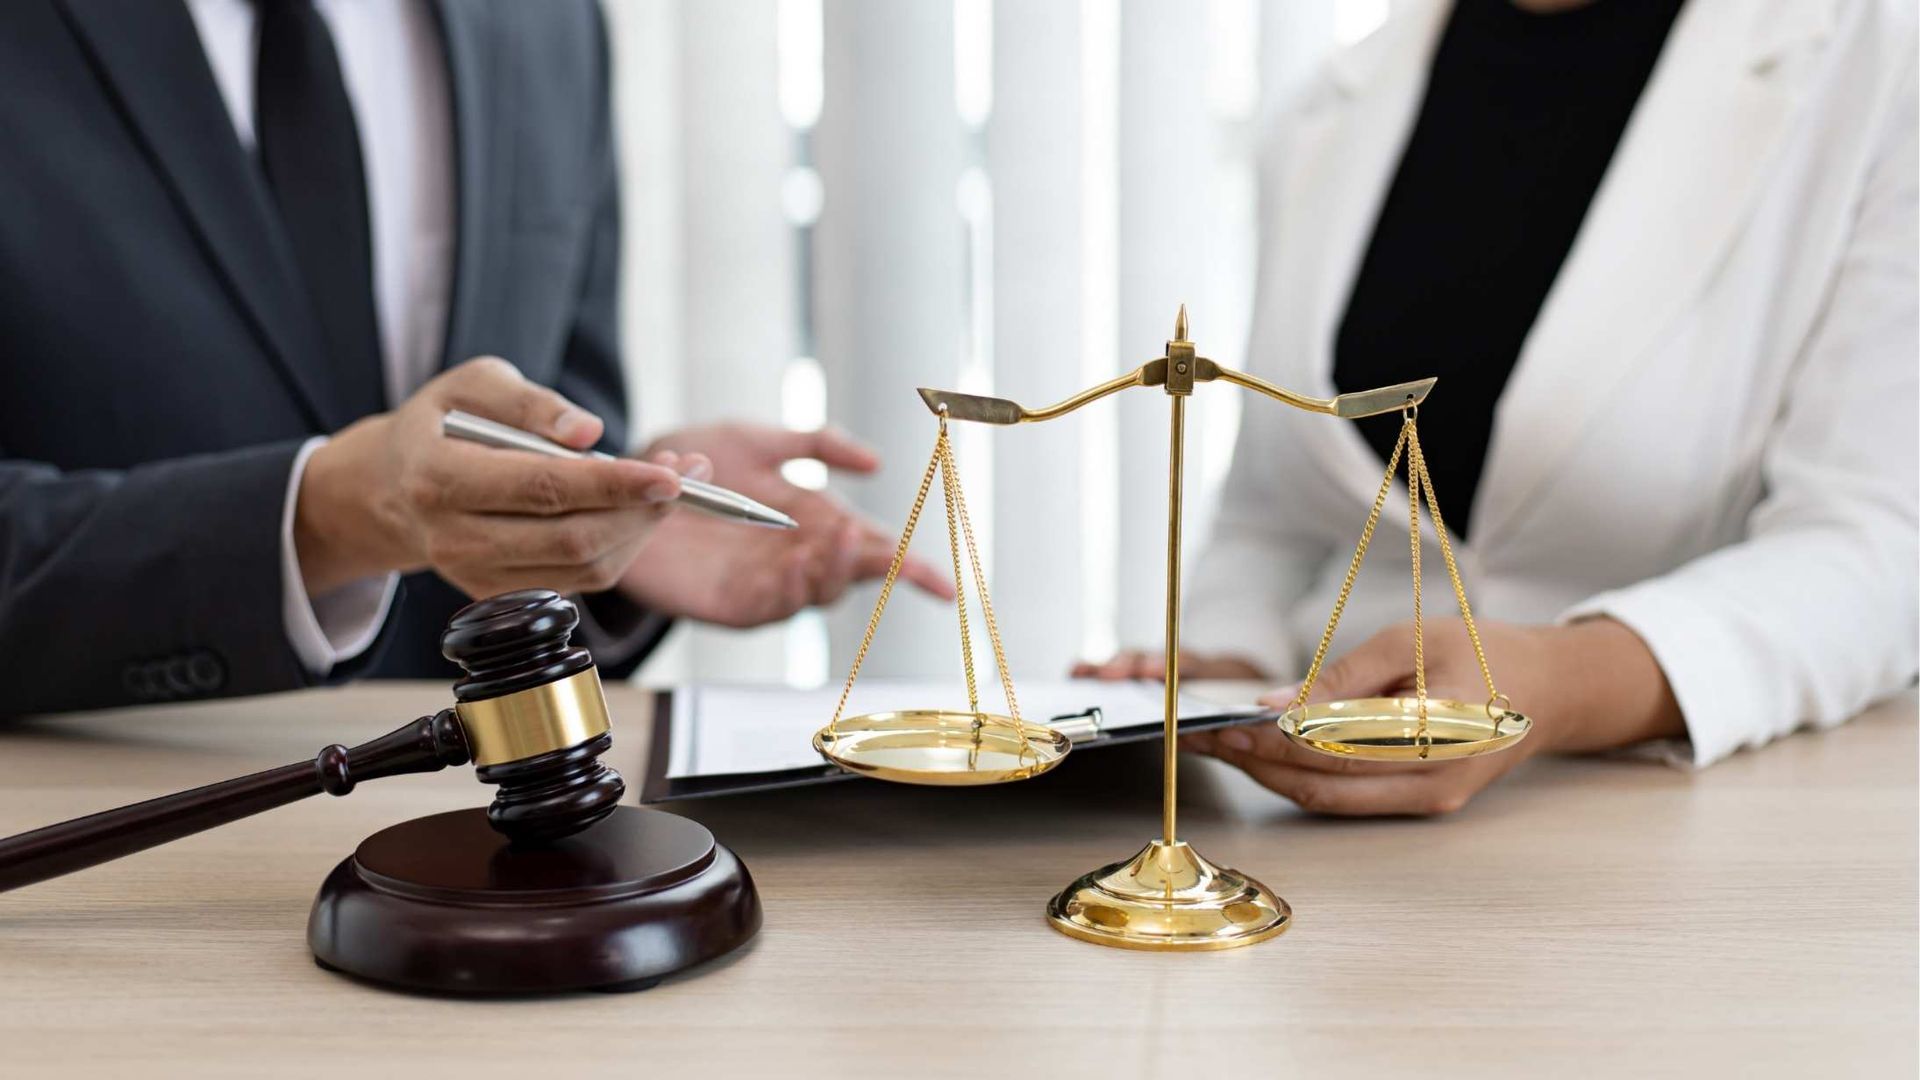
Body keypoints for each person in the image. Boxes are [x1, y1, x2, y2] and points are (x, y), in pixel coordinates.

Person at [1077, 0, 1918, 814]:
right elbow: (1274, 517)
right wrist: (1223, 675)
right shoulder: (1327, 108)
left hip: (1689, 824)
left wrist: (1561, 682)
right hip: (1331, 834)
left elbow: (1877, 548)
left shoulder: (1875, 69)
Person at [0, 0, 946, 716]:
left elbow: (552, 406)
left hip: (481, 870)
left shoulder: (550, 21)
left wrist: (608, 521)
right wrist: (322, 519)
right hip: (106, 877)